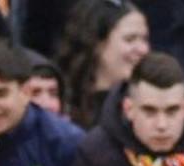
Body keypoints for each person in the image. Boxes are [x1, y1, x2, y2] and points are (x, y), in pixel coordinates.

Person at [56, 0, 150, 129]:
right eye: (130, 39)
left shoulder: (147, 107)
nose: (143, 49)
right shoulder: (58, 106)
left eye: (145, 39)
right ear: (97, 44)